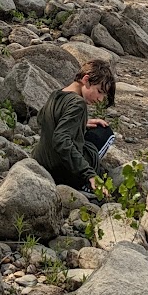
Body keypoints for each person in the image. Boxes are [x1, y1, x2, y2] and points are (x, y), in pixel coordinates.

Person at [30, 58, 116, 194]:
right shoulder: (78, 103)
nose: (100, 99)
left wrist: (80, 122)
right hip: (63, 171)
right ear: (86, 80)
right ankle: (86, 182)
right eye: (99, 91)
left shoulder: (56, 94)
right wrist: (89, 174)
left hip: (42, 162)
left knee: (91, 129)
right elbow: (61, 139)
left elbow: (41, 118)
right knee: (105, 132)